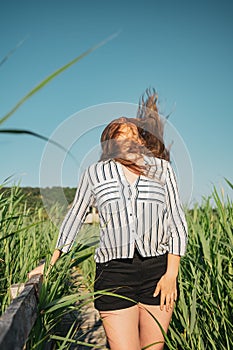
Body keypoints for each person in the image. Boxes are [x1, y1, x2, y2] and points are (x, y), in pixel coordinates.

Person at [29, 89, 188, 350]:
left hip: (158, 273)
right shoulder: (95, 173)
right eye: (119, 136)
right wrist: (50, 264)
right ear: (109, 144)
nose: (127, 140)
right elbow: (74, 217)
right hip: (113, 274)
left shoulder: (162, 169)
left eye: (132, 134)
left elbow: (177, 222)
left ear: (140, 140)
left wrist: (172, 273)